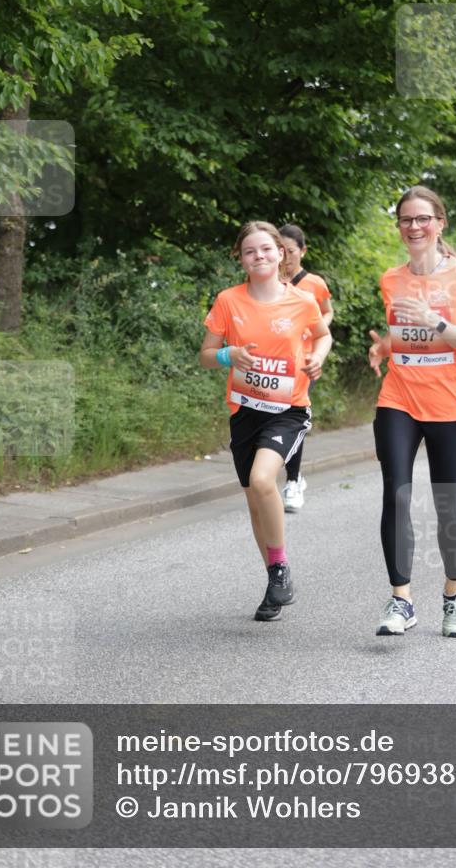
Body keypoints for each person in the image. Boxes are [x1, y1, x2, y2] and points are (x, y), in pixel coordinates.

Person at [368, 186, 456, 638]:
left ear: (440, 223)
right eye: (406, 220)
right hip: (398, 398)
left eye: (422, 219)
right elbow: (401, 336)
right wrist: (385, 345)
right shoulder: (390, 278)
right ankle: (402, 600)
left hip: (450, 403)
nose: (414, 227)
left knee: (447, 503)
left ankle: (453, 595)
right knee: (394, 494)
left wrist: (435, 320)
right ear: (399, 228)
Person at [200, 221, 332, 621]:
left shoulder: (303, 301)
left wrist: (318, 357)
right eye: (249, 251)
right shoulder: (228, 301)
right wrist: (229, 355)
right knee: (255, 500)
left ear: (281, 253)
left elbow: (322, 334)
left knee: (263, 481)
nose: (259, 256)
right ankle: (275, 582)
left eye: (266, 250)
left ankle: (279, 568)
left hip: (288, 410)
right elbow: (207, 353)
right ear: (240, 259)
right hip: (245, 411)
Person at [278, 224, 334, 513]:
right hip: (273, 362)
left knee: (292, 414)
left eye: (290, 251)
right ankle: (289, 474)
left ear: (302, 251)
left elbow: (327, 310)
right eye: (281, 250)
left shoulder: (314, 283)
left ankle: (292, 481)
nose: (285, 257)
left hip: (305, 361)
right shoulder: (267, 280)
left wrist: (320, 335)